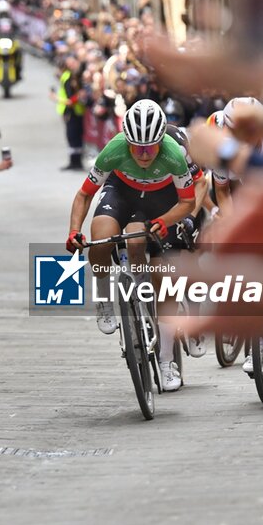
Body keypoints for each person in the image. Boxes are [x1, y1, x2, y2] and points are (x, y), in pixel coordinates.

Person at [65, 100, 195, 391]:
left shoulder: (174, 155)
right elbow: (84, 195)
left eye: (151, 148)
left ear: (161, 141)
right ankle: (104, 298)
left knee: (165, 281)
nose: (144, 155)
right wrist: (74, 230)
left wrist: (165, 221)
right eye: (137, 148)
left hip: (162, 200)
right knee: (100, 237)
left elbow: (188, 202)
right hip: (122, 193)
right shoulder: (114, 149)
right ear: (127, 141)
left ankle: (165, 362)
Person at [55, 55, 85, 170]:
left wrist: (55, 98)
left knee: (73, 137)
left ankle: (76, 162)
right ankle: (75, 161)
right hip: (74, 111)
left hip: (72, 112)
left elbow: (70, 99)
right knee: (74, 137)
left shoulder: (69, 77)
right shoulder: (71, 77)